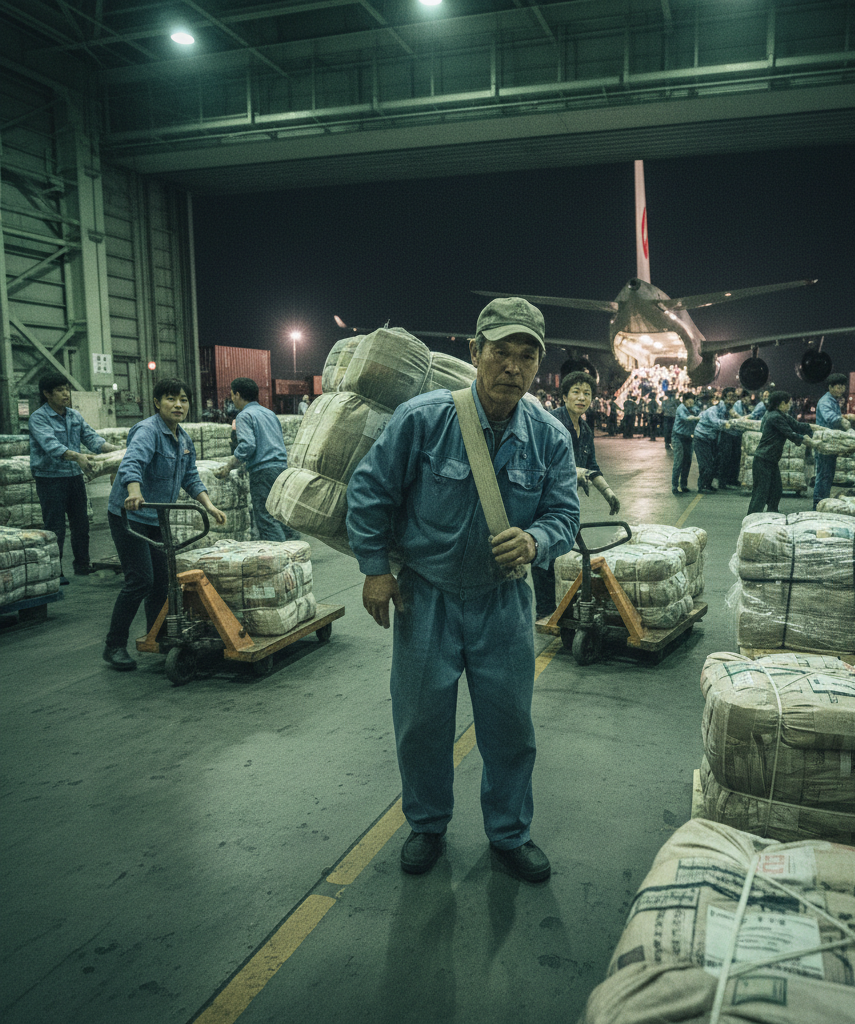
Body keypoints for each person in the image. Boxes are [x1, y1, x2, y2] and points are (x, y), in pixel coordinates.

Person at [346, 297, 579, 883]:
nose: (514, 366)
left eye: (528, 356)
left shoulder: (549, 437)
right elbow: (371, 491)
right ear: (474, 353)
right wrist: (375, 569)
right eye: (502, 351)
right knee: (422, 721)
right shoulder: (425, 420)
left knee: (509, 726)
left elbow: (564, 515)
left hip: (503, 603)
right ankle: (427, 825)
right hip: (428, 599)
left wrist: (535, 542)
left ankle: (510, 833)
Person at [103, 378, 227, 671]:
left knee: (162, 581)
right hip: (128, 514)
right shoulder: (147, 431)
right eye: (171, 399)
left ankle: (156, 636)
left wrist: (208, 505)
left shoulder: (183, 438)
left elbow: (191, 476)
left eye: (183, 400)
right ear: (157, 402)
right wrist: (134, 492)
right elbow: (132, 462)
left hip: (157, 516)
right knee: (140, 580)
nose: (178, 405)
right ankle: (114, 645)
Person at [532, 371, 620, 619]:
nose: (582, 398)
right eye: (576, 392)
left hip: (567, 503)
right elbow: (542, 463)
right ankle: (545, 613)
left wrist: (608, 492)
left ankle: (561, 610)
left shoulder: (585, 430)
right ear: (564, 396)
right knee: (545, 557)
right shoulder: (551, 423)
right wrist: (575, 471)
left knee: (563, 555)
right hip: (544, 502)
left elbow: (591, 466)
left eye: (587, 394)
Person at [28, 372, 120, 584]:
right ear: (47, 394)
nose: (65, 393)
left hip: (73, 477)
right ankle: (55, 571)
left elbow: (92, 439)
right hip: (50, 478)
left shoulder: (73, 416)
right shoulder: (39, 418)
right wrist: (77, 456)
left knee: (81, 524)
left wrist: (117, 451)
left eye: (66, 389)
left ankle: (82, 565)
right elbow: (50, 445)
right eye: (60, 390)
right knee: (55, 526)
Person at [214, 378, 300, 541]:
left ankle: (279, 559)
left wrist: (229, 466)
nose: (231, 399)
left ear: (237, 394)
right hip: (282, 469)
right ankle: (296, 555)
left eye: (232, 395)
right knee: (281, 515)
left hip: (263, 471)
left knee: (266, 518)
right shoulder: (270, 413)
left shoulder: (244, 416)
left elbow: (247, 445)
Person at [747, 391, 818, 515]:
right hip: (763, 459)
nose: (790, 405)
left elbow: (796, 425)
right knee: (761, 493)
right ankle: (751, 519)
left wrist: (816, 429)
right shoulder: (774, 417)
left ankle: (772, 514)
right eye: (788, 403)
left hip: (771, 459)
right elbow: (790, 434)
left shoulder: (780, 415)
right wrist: (815, 444)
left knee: (776, 490)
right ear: (781, 404)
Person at [812, 373, 855, 509]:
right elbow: (831, 418)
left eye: (842, 387)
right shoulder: (825, 402)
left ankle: (822, 502)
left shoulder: (834, 401)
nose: (841, 390)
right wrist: (844, 422)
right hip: (824, 443)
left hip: (831, 443)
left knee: (828, 475)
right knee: (823, 475)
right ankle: (818, 504)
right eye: (838, 387)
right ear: (830, 387)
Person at [693, 397, 731, 493]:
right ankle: (702, 486)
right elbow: (716, 422)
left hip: (710, 439)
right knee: (705, 464)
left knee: (712, 463)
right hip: (701, 439)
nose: (731, 401)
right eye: (729, 398)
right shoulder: (713, 411)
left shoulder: (724, 411)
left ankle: (707, 484)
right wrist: (729, 423)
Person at [670, 393, 699, 494]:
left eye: (692, 400)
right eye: (689, 400)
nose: (691, 402)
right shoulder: (681, 408)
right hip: (678, 437)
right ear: (684, 401)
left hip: (688, 437)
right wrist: (697, 418)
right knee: (679, 461)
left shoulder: (695, 408)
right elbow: (686, 418)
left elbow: (700, 413)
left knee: (687, 461)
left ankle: (683, 485)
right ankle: (674, 486)